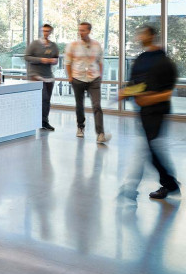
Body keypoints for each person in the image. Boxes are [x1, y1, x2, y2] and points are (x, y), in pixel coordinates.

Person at [120, 25, 179, 200]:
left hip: (157, 111)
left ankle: (133, 188)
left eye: (143, 33)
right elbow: (136, 83)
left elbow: (167, 92)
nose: (139, 36)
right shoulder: (141, 58)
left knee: (149, 148)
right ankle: (168, 184)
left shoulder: (165, 62)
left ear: (152, 35)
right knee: (149, 149)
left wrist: (148, 98)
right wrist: (126, 93)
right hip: (143, 111)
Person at [66, 22, 109, 142]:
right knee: (79, 105)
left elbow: (100, 61)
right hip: (78, 78)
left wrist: (100, 76)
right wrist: (70, 77)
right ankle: (80, 127)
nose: (80, 33)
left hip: (93, 79)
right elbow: (67, 62)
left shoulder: (96, 45)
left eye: (83, 30)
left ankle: (100, 133)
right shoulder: (73, 45)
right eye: (79, 30)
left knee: (97, 105)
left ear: (89, 31)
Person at [25, 23, 59, 131]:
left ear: (51, 32)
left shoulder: (53, 46)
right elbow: (27, 57)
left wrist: (53, 61)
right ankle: (33, 121)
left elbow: (56, 59)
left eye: (48, 31)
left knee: (47, 100)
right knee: (42, 98)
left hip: (48, 75)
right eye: (44, 31)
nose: (46, 33)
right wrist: (41, 60)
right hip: (35, 75)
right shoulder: (34, 44)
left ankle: (44, 122)